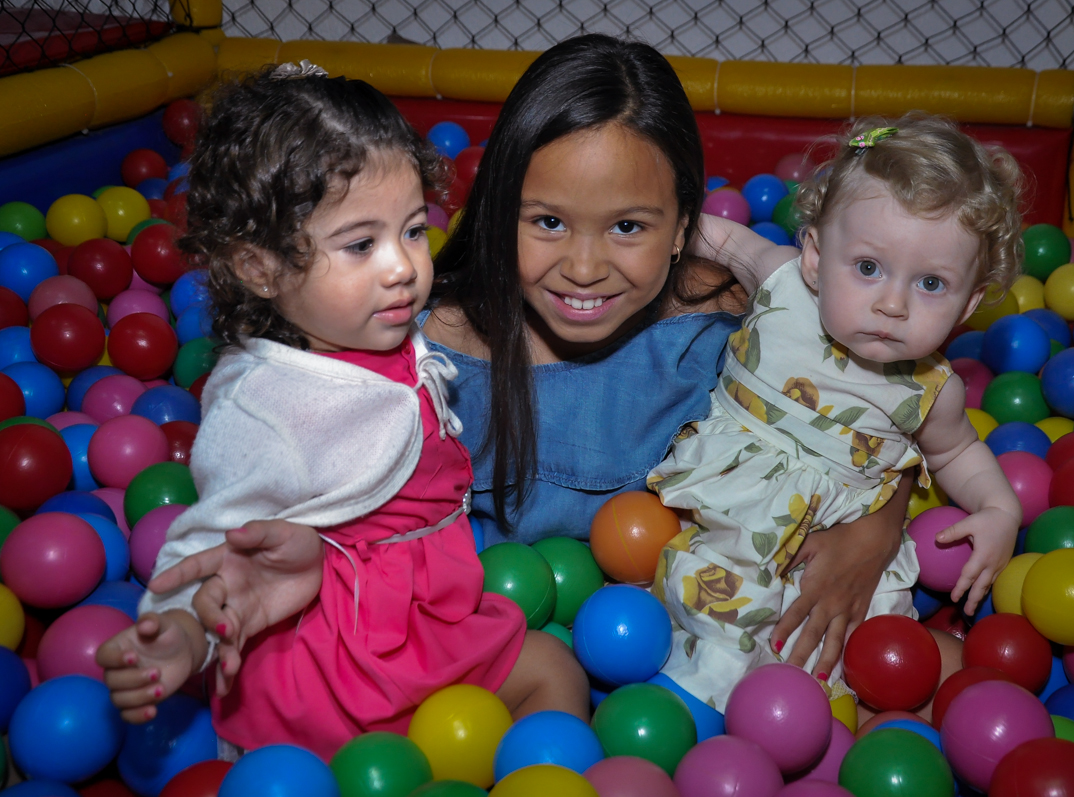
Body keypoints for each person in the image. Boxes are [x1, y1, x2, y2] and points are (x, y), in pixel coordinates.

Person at [147, 35, 916, 699]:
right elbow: (290, 461)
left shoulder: (725, 331)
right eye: (548, 221)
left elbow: (877, 412)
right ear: (498, 212)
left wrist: (875, 527)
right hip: (482, 661)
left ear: (683, 227)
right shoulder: (422, 352)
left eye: (627, 226)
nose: (583, 266)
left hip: (697, 655)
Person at [95, 63, 587, 762]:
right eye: (360, 245)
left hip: (423, 614)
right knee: (543, 676)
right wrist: (181, 630)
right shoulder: (271, 406)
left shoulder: (369, 329)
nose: (401, 267)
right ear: (260, 268)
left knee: (553, 671)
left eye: (411, 231)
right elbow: (214, 545)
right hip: (347, 661)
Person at [648, 116, 1024, 712]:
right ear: (815, 257)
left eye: (931, 283)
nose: (893, 304)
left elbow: (958, 452)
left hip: (841, 547)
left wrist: (1000, 509)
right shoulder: (780, 283)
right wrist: (649, 223)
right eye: (868, 268)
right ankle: (702, 709)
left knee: (867, 657)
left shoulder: (933, 389)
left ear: (968, 303)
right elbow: (716, 236)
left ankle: (834, 721)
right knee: (711, 633)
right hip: (730, 517)